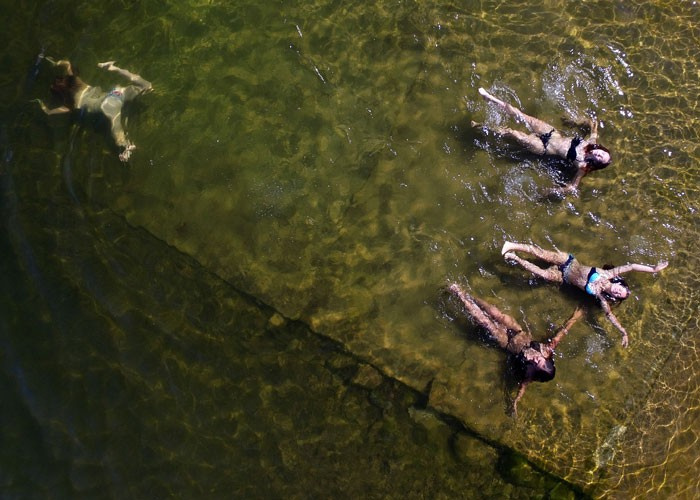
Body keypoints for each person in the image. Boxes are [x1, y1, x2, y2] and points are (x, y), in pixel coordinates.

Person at [448, 283, 583, 416]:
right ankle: (470, 295)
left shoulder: (529, 373)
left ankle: (459, 294)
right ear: (546, 358)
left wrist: (515, 402)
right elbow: (561, 333)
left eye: (537, 365)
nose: (537, 360)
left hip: (506, 342)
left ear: (537, 371)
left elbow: (522, 387)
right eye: (541, 361)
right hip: (517, 330)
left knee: (485, 322)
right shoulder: (547, 350)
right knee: (495, 312)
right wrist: (574, 318)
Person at [501, 241, 668, 347]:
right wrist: (653, 269)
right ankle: (512, 245)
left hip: (563, 277)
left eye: (619, 295)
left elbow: (610, 316)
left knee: (542, 274)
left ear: (615, 297)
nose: (618, 292)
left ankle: (516, 258)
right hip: (568, 261)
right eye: (621, 290)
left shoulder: (601, 297)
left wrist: (623, 331)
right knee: (540, 253)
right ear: (619, 284)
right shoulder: (609, 274)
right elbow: (631, 266)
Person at [472, 87, 611, 196]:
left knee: (512, 133)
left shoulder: (582, 166)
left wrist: (552, 191)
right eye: (602, 153)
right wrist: (574, 122)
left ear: (596, 163)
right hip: (552, 133)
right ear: (601, 148)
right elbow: (593, 124)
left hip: (543, 147)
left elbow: (573, 187)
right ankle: (489, 98)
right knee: (520, 115)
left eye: (600, 158)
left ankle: (479, 126)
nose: (598, 154)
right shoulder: (591, 142)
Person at [34, 57, 152, 162]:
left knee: (119, 138)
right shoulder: (75, 79)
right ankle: (113, 68)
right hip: (114, 94)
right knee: (147, 87)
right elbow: (68, 63)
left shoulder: (70, 103)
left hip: (107, 107)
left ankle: (128, 149)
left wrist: (42, 105)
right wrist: (56, 62)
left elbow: (49, 112)